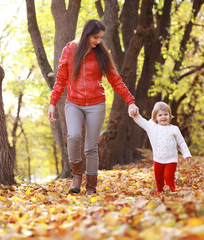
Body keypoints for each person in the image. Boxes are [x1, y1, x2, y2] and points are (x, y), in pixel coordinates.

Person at [48, 19, 139, 195]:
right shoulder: (69, 50)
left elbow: (115, 79)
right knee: (73, 137)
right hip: (73, 102)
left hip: (96, 104)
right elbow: (60, 80)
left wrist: (131, 101)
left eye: (101, 38)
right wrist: (52, 103)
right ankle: (76, 175)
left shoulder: (101, 54)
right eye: (96, 37)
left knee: (91, 147)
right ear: (86, 34)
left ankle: (91, 186)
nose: (99, 41)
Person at [129, 101, 191, 193]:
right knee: (159, 179)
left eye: (166, 114)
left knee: (168, 176)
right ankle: (160, 193)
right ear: (155, 117)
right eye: (160, 115)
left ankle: (171, 192)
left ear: (170, 116)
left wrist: (186, 154)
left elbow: (181, 143)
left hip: (171, 159)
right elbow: (141, 121)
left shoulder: (174, 129)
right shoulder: (152, 127)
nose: (163, 117)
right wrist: (134, 115)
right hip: (158, 159)